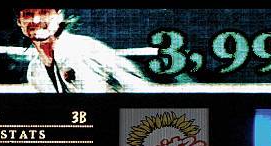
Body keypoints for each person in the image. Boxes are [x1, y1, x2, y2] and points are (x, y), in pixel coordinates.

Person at [14, 8, 180, 93]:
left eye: (44, 12)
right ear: (19, 21)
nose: (36, 20)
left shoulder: (78, 51)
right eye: (28, 14)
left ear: (59, 16)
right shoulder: (35, 71)